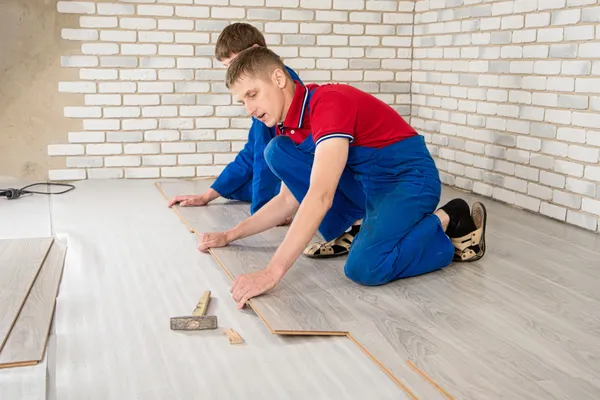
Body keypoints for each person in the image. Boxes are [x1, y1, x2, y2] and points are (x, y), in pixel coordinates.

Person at [198, 47, 488, 309]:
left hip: (406, 180)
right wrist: (229, 235)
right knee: (277, 151)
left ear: (278, 78)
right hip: (366, 183)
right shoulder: (288, 127)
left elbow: (321, 195)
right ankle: (364, 227)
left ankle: (448, 218)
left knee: (365, 268)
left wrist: (271, 272)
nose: (249, 109)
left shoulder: (329, 103)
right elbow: (288, 199)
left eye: (252, 94)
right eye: (242, 101)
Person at [168, 23, 363, 256]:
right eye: (227, 68)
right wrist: (209, 194)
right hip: (312, 173)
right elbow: (252, 149)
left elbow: (265, 155)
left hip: (332, 177)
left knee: (273, 154)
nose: (232, 73)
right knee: (238, 186)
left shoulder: (275, 91)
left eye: (234, 64)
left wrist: (260, 211)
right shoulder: (264, 92)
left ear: (256, 51)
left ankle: (348, 221)